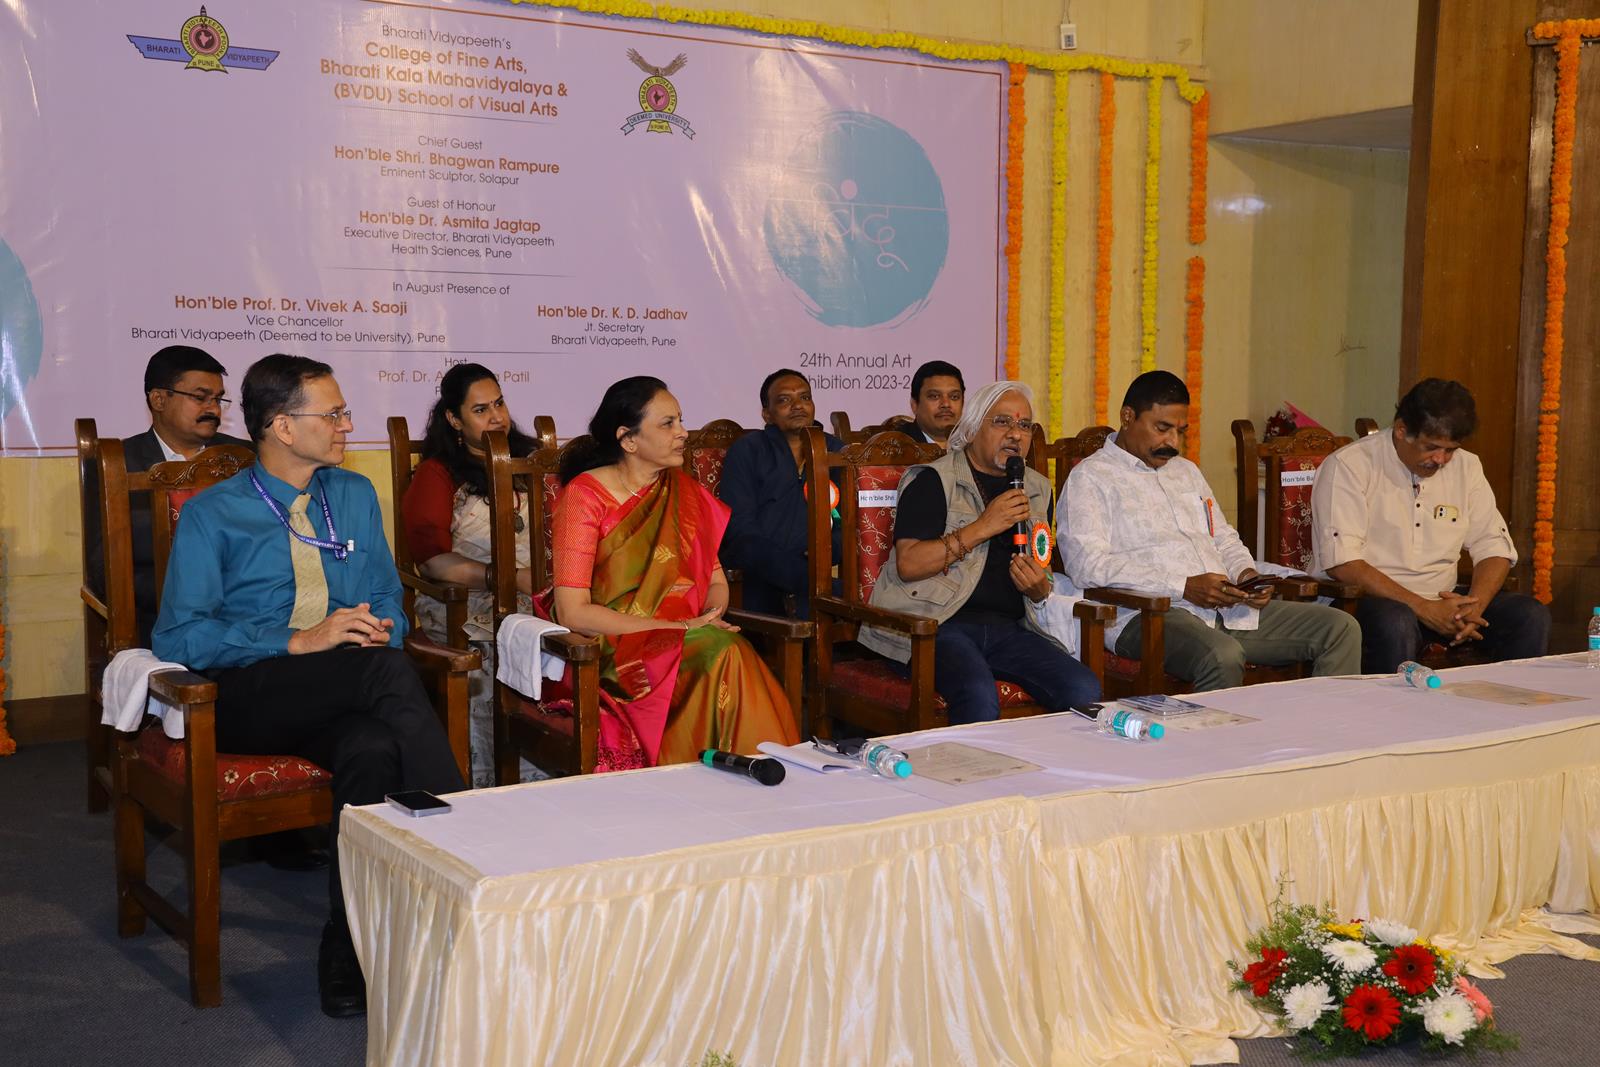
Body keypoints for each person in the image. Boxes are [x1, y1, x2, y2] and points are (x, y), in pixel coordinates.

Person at [153, 354, 466, 1019]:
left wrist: (381, 624)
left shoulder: (351, 494)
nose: (348, 424)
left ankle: (345, 945)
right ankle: (471, 846)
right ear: (282, 427)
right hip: (247, 694)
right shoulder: (214, 514)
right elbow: (179, 637)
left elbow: (387, 591)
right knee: (385, 674)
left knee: (371, 747)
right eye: (334, 414)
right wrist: (294, 640)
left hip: (346, 687)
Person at [548, 376, 799, 769]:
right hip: (616, 647)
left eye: (681, 420)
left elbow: (715, 580)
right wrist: (680, 628)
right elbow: (572, 611)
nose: (683, 433)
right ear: (628, 440)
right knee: (727, 653)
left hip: (690, 637)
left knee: (725, 650)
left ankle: (747, 772)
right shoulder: (584, 496)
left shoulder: (684, 491)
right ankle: (760, 771)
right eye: (668, 424)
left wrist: (708, 618)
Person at [1062, 371, 1360, 691]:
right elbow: (1087, 565)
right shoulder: (1091, 478)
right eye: (1162, 428)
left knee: (1340, 628)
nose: (1172, 443)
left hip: (1226, 609)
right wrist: (1183, 586)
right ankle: (1212, 727)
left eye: (1180, 431)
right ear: (1127, 417)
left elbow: (1223, 537)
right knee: (1222, 655)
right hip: (1146, 616)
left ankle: (1321, 724)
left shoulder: (1186, 472)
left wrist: (1246, 574)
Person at [861, 380, 1101, 723]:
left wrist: (1039, 588)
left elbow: (1041, 562)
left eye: (1024, 425)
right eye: (1002, 422)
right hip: (936, 625)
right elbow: (909, 564)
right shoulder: (933, 481)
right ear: (972, 429)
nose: (1015, 434)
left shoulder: (1035, 488)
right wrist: (983, 526)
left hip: (1009, 627)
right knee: (977, 694)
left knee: (1083, 688)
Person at [1311, 378, 1549, 673]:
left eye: (1450, 450)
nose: (1441, 460)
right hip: (1365, 602)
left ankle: (1506, 702)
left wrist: (1472, 608)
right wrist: (1423, 608)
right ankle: (1390, 705)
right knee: (1396, 621)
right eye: (1432, 447)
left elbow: (1493, 546)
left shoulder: (1467, 467)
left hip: (1444, 601)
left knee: (1529, 615)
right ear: (1401, 430)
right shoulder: (1350, 465)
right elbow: (1343, 562)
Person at [400, 363, 541, 787]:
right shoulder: (438, 473)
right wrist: (505, 578)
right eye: (481, 410)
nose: (496, 417)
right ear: (454, 419)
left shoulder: (533, 462)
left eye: (499, 404)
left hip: (535, 598)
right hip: (464, 602)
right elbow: (432, 562)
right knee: (496, 647)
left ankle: (564, 779)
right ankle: (486, 786)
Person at [85, 345, 251, 646]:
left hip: (246, 612)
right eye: (200, 397)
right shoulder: (119, 463)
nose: (214, 410)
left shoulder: (245, 457)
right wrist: (191, 595)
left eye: (218, 399)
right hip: (157, 618)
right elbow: (103, 570)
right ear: (159, 399)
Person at [717, 368, 842, 618]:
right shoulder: (747, 451)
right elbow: (740, 527)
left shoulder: (836, 452)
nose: (798, 406)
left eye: (805, 397)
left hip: (819, 562)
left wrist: (830, 549)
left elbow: (848, 519)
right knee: (751, 551)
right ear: (767, 414)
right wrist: (788, 565)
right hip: (760, 569)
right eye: (785, 400)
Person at [904, 360, 965, 449]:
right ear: (914, 405)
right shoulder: (897, 448)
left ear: (963, 403)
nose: (946, 404)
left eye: (954, 397)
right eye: (934, 396)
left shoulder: (973, 445)